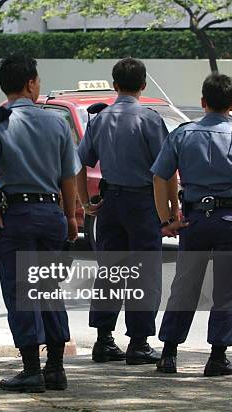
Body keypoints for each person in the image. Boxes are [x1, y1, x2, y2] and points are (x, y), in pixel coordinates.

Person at [0, 55, 80, 393]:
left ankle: (31, 369)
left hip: (15, 218)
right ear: (31, 83)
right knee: (49, 289)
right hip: (50, 216)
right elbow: (68, 177)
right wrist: (71, 216)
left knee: (21, 293)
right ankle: (56, 369)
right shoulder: (57, 123)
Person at [152, 73, 232, 376]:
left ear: (202, 102)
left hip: (193, 222)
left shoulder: (182, 134)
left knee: (185, 286)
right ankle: (217, 358)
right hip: (230, 221)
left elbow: (160, 176)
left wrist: (168, 217)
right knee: (227, 290)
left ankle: (168, 354)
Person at [76, 57, 176, 365]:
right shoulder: (150, 119)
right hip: (142, 203)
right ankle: (138, 343)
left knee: (110, 272)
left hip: (110, 203)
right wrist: (170, 212)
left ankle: (104, 340)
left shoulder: (99, 119)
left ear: (114, 85)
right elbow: (165, 171)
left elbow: (78, 163)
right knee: (144, 273)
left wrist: (85, 202)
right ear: (143, 86)